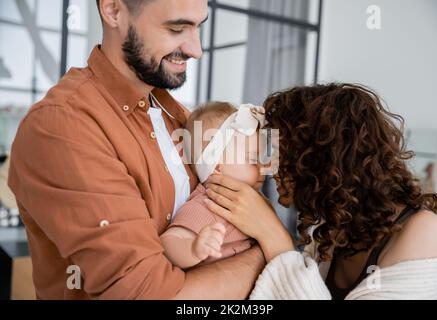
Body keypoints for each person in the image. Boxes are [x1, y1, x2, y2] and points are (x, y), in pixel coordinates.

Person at [7, 0, 264, 300]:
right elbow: (147, 296)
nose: (196, 50)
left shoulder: (179, 116)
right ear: (114, 10)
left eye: (198, 27)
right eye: (177, 28)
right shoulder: (63, 126)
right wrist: (268, 252)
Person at [205, 83, 437, 299]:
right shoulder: (334, 227)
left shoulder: (425, 234)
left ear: (321, 159)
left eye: (281, 151)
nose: (269, 166)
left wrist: (272, 234)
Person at [161, 102, 265, 268]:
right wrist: (193, 249)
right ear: (217, 166)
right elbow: (169, 242)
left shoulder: (257, 200)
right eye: (253, 159)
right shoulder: (208, 204)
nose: (263, 167)